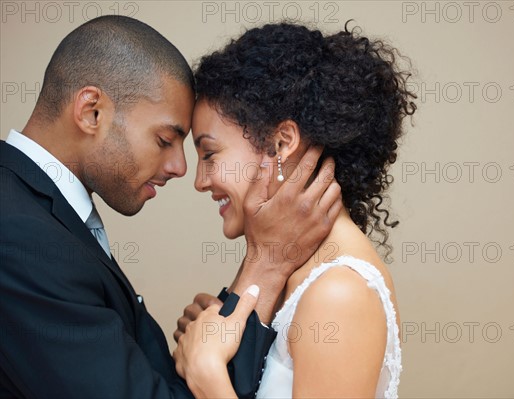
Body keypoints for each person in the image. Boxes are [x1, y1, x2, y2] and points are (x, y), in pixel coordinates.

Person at [0, 16, 342, 398]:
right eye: (165, 140)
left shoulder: (33, 212)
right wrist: (264, 263)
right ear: (91, 111)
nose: (181, 169)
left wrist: (214, 332)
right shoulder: (18, 235)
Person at [173, 22, 416, 398]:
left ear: (281, 143)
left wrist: (207, 376)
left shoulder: (339, 293)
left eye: (210, 154)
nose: (200, 181)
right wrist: (218, 330)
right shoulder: (290, 270)